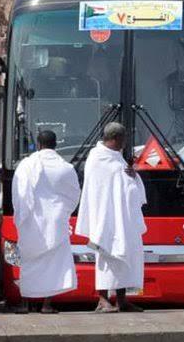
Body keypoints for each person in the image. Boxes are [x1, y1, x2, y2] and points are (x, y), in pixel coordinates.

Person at [75, 122, 147, 313]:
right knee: (106, 258)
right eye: (123, 140)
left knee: (124, 256)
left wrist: (134, 176)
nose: (124, 144)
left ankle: (122, 300)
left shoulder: (117, 158)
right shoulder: (97, 158)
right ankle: (102, 299)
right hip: (105, 218)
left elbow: (126, 182)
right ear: (116, 139)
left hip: (123, 218)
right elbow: (99, 189)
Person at [12, 130, 80, 313]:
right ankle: (47, 305)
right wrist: (62, 211)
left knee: (28, 260)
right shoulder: (66, 168)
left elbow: (18, 194)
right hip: (55, 221)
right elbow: (75, 195)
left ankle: (26, 303)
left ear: (39, 144)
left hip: (32, 220)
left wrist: (22, 215)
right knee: (54, 263)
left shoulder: (26, 165)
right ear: (55, 144)